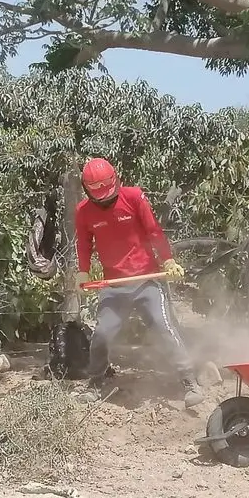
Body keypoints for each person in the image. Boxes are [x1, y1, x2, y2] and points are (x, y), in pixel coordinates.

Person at [74, 157, 204, 408]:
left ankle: (189, 380)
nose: (104, 200)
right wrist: (83, 272)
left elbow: (154, 231)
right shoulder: (83, 212)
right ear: (87, 190)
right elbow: (83, 244)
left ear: (116, 180)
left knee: (163, 326)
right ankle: (96, 382)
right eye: (98, 196)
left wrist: (167, 260)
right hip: (114, 285)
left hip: (147, 281)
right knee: (102, 333)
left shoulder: (133, 197)